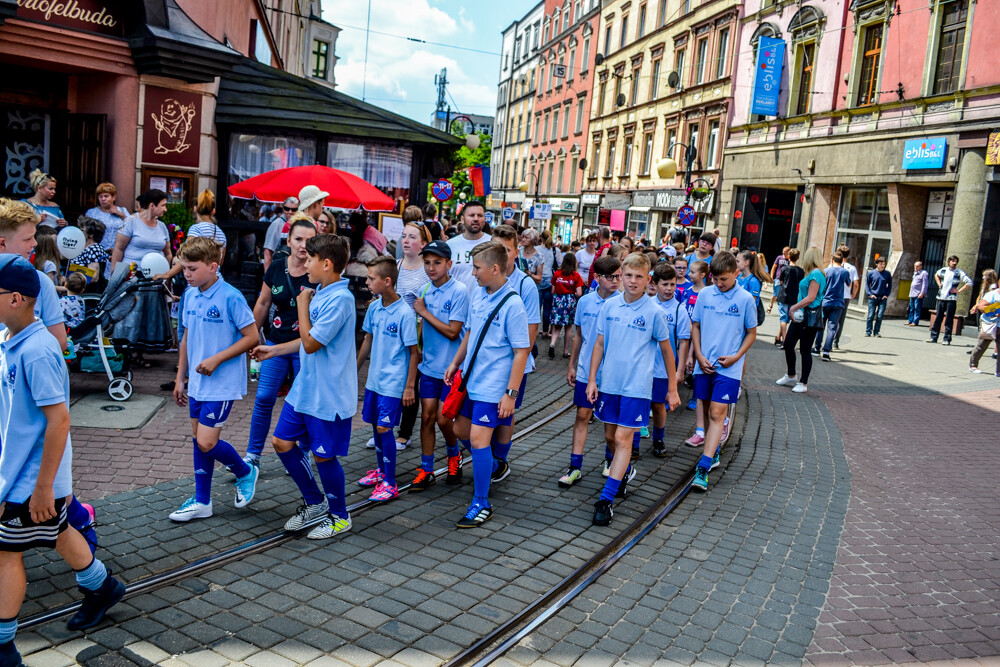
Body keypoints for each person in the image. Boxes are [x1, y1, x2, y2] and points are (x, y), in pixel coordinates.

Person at [0, 257, 126, 667]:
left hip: (29, 477)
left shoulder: (37, 351)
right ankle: (102, 586)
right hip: (19, 471)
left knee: (6, 554)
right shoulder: (10, 339)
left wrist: (43, 487)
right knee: (58, 531)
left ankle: (3, 647)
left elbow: (59, 419)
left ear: (16, 299)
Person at [251, 235, 356, 539]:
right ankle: (315, 502)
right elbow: (310, 339)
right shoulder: (320, 291)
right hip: (305, 389)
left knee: (324, 456)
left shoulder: (340, 299)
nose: (304, 263)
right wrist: (273, 350)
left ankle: (339, 516)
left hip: (328, 394)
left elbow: (310, 342)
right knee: (282, 442)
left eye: (310, 259)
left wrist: (301, 303)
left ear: (326, 263)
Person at [168, 238, 260, 521]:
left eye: (192, 269)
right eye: (184, 268)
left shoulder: (231, 297)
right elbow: (185, 337)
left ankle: (246, 472)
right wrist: (179, 377)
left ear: (213, 266)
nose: (187, 274)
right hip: (196, 383)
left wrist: (217, 359)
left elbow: (252, 337)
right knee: (199, 440)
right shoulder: (190, 294)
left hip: (221, 383)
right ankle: (202, 502)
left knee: (206, 442)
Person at [586, 252, 680, 526]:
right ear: (621, 277)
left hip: (637, 388)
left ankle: (606, 500)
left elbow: (667, 351)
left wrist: (672, 389)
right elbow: (599, 345)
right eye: (628, 275)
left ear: (648, 279)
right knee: (611, 438)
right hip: (609, 385)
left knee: (625, 440)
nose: (633, 281)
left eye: (639, 276)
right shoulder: (610, 307)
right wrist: (592, 379)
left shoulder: (654, 312)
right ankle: (622, 471)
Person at [445, 241, 530, 528]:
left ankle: (481, 502)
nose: (473, 273)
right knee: (458, 430)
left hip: (493, 387)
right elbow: (470, 332)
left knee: (480, 441)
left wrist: (510, 394)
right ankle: (492, 464)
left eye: (477, 268)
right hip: (471, 380)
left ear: (495, 268)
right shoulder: (480, 295)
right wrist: (456, 362)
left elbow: (522, 351)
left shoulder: (514, 304)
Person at [243, 219, 318, 466]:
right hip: (275, 344)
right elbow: (264, 303)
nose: (303, 245)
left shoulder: (318, 272)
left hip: (304, 347)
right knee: (264, 397)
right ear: (288, 241)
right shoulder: (276, 268)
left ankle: (303, 453)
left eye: (309, 240)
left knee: (302, 401)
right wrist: (250, 337)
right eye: (298, 239)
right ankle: (253, 455)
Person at [352, 257, 418, 502]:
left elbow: (414, 352)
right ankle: (381, 471)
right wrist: (354, 370)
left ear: (387, 281)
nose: (367, 282)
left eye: (371, 278)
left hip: (393, 384)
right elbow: (367, 340)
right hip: (374, 382)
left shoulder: (405, 313)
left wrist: (409, 386)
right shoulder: (374, 307)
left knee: (384, 427)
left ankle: (390, 482)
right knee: (375, 426)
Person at [689, 251, 757, 492]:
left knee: (718, 413)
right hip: (703, 364)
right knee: (707, 410)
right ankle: (713, 448)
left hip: (729, 368)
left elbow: (751, 332)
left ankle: (703, 468)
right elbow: (695, 326)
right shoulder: (705, 294)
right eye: (715, 279)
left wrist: (737, 357)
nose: (719, 284)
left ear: (736, 274)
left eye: (724, 279)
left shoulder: (746, 299)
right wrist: (698, 354)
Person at [410, 241, 469, 490]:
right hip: (430, 368)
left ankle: (454, 455)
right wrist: (420, 345)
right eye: (427, 262)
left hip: (452, 370)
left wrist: (423, 313)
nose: (431, 267)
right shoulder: (425, 290)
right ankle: (426, 469)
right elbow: (423, 326)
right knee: (426, 418)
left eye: (436, 262)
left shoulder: (460, 291)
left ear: (449, 264)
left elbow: (454, 332)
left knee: (445, 420)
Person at [559, 255, 621, 488]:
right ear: (596, 278)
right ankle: (575, 466)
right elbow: (580, 336)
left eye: (618, 276)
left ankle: (610, 460)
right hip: (586, 370)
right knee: (582, 416)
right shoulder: (584, 302)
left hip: (612, 374)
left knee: (609, 422)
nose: (615, 281)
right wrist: (572, 364)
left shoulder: (622, 302)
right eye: (609, 277)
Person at [489, 225, 540, 481]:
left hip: (513, 363)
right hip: (487, 363)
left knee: (505, 413)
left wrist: (515, 371)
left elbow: (529, 337)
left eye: (506, 250)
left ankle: (500, 459)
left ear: (516, 251)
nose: (501, 255)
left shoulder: (526, 285)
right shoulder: (486, 278)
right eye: (496, 248)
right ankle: (485, 454)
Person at [379, 215, 432, 453]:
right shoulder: (396, 266)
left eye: (412, 237)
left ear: (423, 244)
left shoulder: (426, 272)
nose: (406, 240)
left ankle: (405, 432)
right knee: (392, 380)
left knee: (412, 382)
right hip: (392, 333)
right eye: (403, 236)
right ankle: (385, 426)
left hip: (416, 334)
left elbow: (425, 307)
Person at [0, 199, 67, 351]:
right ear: (2, 243)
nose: (35, 243)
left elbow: (59, 342)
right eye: (27, 238)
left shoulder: (40, 281)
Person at [649, 263, 691, 459]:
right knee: (641, 404)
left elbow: (683, 342)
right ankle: (632, 442)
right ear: (655, 284)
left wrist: (679, 369)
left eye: (673, 285)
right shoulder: (647, 305)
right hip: (644, 367)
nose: (669, 289)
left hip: (664, 369)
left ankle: (658, 438)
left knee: (659, 405)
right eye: (665, 284)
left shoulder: (678, 310)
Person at [777, 247, 826, 394]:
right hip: (801, 316)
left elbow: (811, 297)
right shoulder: (812, 273)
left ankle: (803, 382)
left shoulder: (816, 273)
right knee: (789, 344)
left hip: (808, 316)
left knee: (805, 350)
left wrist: (793, 308)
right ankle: (791, 375)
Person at [110, 189, 171, 276]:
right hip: (133, 273)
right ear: (152, 205)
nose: (165, 209)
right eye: (163, 205)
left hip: (156, 274)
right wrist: (114, 272)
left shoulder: (162, 226)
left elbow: (168, 253)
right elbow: (119, 248)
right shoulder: (131, 221)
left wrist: (167, 275)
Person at [446, 201, 492, 295]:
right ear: (462, 219)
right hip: (456, 304)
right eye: (471, 215)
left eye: (480, 215)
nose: (476, 219)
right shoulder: (450, 245)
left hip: (483, 305)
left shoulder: (493, 244)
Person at [928, 255, 972, 345]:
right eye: (953, 261)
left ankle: (947, 339)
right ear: (949, 262)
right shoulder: (943, 270)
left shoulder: (959, 272)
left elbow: (969, 282)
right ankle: (933, 337)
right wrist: (939, 284)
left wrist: (958, 291)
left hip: (951, 298)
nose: (954, 263)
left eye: (956, 261)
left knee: (949, 319)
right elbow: (936, 274)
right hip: (941, 297)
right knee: (938, 317)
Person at [549, 252, 585, 359]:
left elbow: (552, 291)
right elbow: (579, 293)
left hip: (558, 300)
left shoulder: (557, 273)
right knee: (568, 328)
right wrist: (572, 293)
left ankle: (552, 344)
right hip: (569, 301)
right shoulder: (576, 275)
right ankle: (565, 351)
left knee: (557, 327)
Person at [817, 252, 851, 360]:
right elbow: (849, 284)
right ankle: (827, 351)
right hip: (838, 303)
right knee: (832, 328)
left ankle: (817, 348)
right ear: (842, 261)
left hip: (825, 301)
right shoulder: (845, 272)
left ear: (832, 260)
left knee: (821, 326)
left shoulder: (826, 271)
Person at [84, 183, 129, 252]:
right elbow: (85, 233)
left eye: (106, 196)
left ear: (114, 197)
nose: (103, 199)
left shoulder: (122, 210)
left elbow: (131, 227)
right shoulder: (91, 213)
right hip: (96, 252)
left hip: (117, 252)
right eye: (100, 196)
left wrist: (121, 214)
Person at [969, 278, 1000, 376]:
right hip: (990, 324)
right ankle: (973, 365)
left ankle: (998, 371)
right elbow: (981, 306)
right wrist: (995, 311)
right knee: (982, 345)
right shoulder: (993, 294)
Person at [833, 245, 860, 349]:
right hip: (845, 296)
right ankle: (836, 341)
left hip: (833, 294)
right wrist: (853, 294)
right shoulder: (851, 268)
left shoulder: (832, 265)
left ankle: (824, 340)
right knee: (841, 319)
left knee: (829, 318)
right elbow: (856, 284)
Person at [776, 249, 803, 347]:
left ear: (789, 257)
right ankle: (778, 337)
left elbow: (780, 282)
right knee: (790, 318)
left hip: (784, 296)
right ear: (798, 258)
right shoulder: (801, 271)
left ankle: (785, 341)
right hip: (794, 297)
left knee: (783, 319)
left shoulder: (785, 268)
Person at [72, 216, 110, 287]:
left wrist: (71, 282)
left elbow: (93, 277)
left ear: (91, 234)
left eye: (81, 230)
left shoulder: (93, 249)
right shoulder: (81, 247)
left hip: (81, 288)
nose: (78, 232)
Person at [263, 196, 299, 271]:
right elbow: (268, 252)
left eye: (293, 209)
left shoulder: (299, 224)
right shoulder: (277, 224)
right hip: (279, 267)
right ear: (283, 209)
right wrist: (267, 277)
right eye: (287, 209)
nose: (290, 212)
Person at [864, 257, 892, 337]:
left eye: (884, 264)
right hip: (873, 297)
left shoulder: (887, 274)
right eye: (881, 264)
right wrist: (870, 294)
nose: (883, 265)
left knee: (879, 316)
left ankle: (876, 332)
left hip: (882, 298)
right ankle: (868, 331)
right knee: (870, 315)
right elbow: (867, 284)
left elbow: (890, 285)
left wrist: (886, 295)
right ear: (877, 264)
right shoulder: (871, 273)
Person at [907, 260, 928, 326]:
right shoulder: (915, 273)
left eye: (917, 266)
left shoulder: (923, 273)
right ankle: (910, 321)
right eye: (915, 266)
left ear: (921, 267)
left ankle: (915, 321)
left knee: (917, 308)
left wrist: (922, 293)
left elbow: (925, 284)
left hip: (918, 293)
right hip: (912, 293)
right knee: (911, 308)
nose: (915, 267)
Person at [769, 247, 790, 314]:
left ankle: (781, 308)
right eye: (783, 250)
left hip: (785, 280)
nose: (784, 252)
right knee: (775, 294)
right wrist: (771, 276)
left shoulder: (789, 260)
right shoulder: (779, 258)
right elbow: (774, 267)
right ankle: (771, 305)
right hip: (778, 278)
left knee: (783, 294)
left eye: (786, 251)